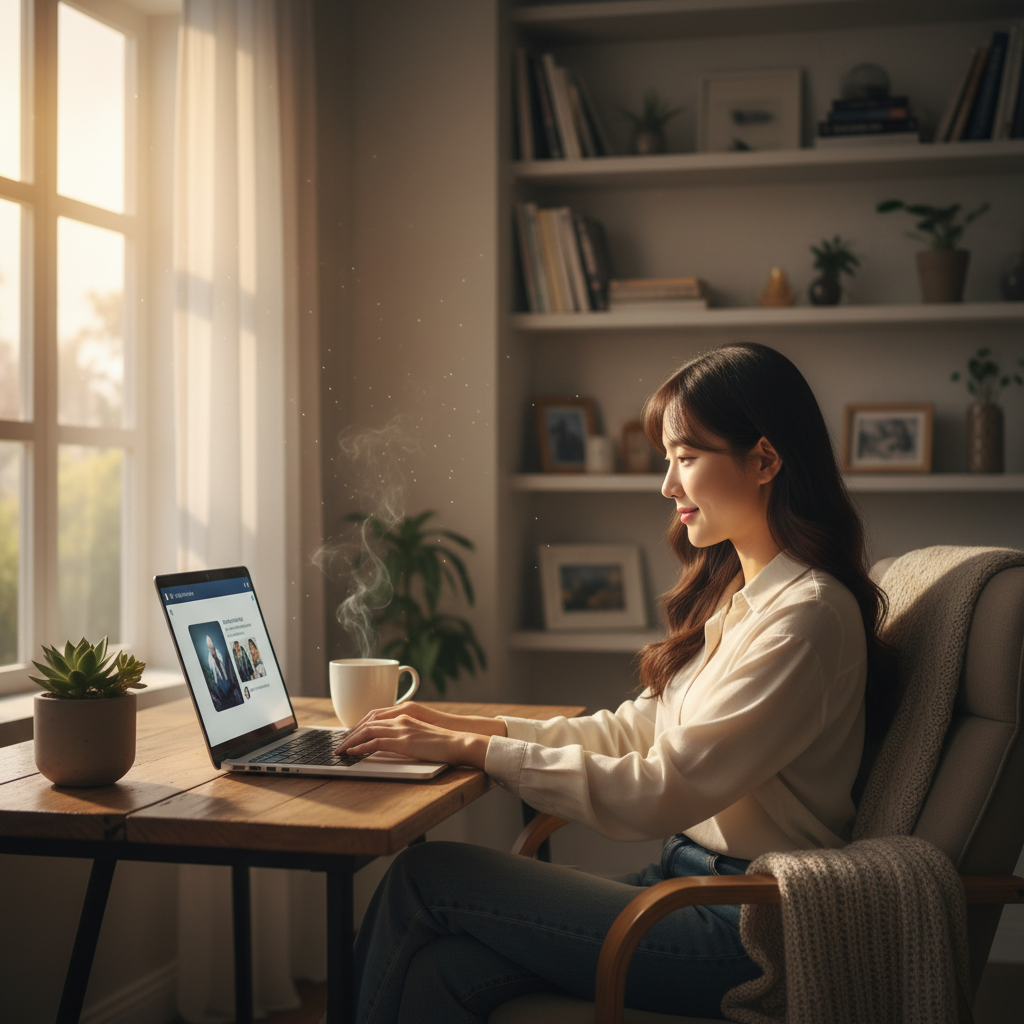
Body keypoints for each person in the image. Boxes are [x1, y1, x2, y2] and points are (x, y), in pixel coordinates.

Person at [334, 342, 894, 1024]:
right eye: (668, 460)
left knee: (427, 877)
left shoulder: (806, 618)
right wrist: (464, 729)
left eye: (686, 457)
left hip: (747, 928)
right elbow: (635, 729)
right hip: (683, 885)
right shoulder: (739, 599)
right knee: (444, 968)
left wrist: (478, 753)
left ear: (765, 461)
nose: (668, 486)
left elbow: (661, 788)